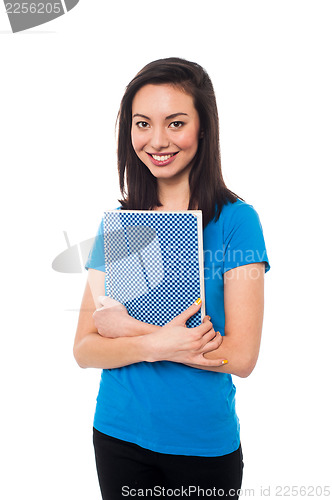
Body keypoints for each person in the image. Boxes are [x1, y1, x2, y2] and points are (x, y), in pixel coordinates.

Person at [73, 57, 270, 500]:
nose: (157, 140)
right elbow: (85, 349)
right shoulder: (123, 224)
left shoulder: (237, 223)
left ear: (203, 128)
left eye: (175, 123)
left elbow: (240, 358)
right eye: (143, 124)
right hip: (118, 435)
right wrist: (159, 342)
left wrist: (130, 333)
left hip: (203, 446)